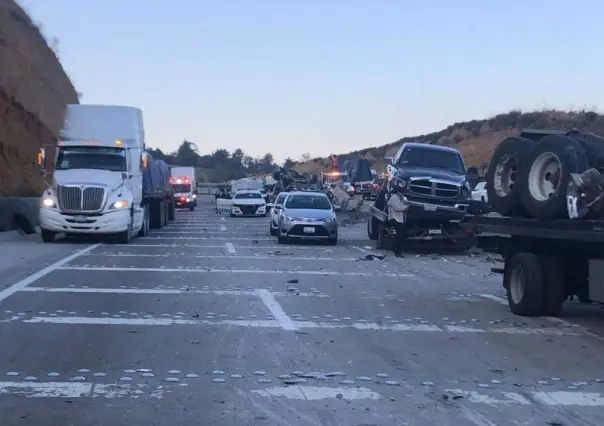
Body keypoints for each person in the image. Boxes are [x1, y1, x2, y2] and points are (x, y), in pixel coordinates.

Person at [387, 178, 408, 257]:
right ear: (397, 192)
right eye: (400, 192)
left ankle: (395, 247)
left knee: (401, 235)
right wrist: (405, 207)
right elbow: (397, 208)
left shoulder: (403, 198)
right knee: (399, 235)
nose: (402, 194)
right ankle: (397, 251)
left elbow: (406, 202)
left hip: (400, 219)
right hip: (394, 218)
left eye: (402, 192)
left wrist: (404, 203)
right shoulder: (393, 198)